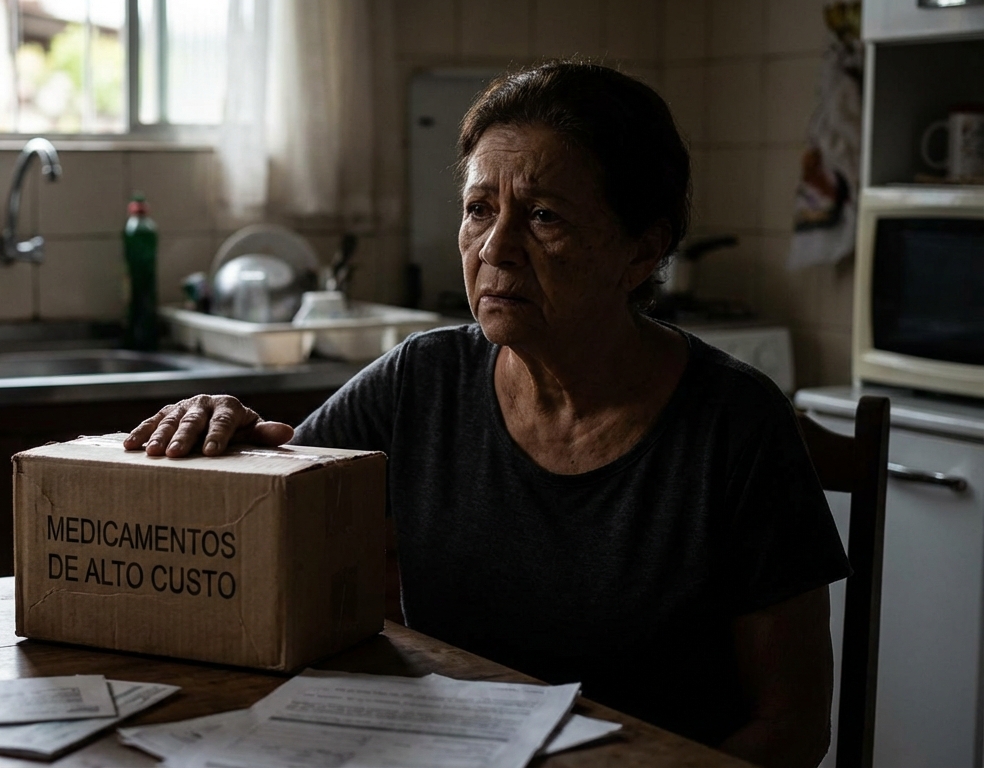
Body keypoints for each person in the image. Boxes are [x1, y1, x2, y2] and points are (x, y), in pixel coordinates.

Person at [124, 61, 848, 768]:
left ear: (643, 248)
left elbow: (791, 728)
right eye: (478, 210)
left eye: (542, 217)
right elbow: (266, 507)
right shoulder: (423, 380)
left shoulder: (736, 424)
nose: (496, 249)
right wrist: (223, 426)